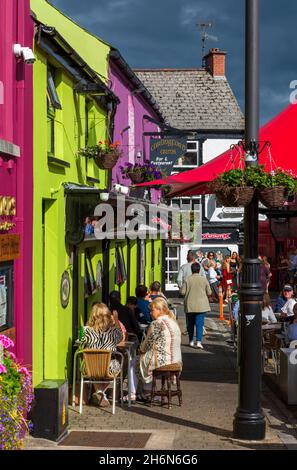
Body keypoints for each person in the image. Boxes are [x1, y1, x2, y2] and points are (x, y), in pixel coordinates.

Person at [128, 298, 182, 402]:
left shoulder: (157, 323)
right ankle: (147, 392)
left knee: (135, 362)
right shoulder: (173, 322)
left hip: (163, 360)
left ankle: (132, 394)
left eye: (152, 310)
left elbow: (147, 343)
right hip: (176, 360)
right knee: (146, 358)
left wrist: (141, 350)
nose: (150, 313)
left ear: (159, 309)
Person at [80, 303, 123, 407]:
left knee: (92, 366)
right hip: (109, 368)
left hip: (90, 368)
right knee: (117, 364)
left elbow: (81, 341)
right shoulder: (114, 332)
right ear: (108, 315)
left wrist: (87, 324)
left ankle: (99, 392)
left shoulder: (85, 331)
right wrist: (116, 319)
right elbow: (121, 337)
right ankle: (101, 392)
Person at [180, 262, 212, 349]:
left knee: (190, 324)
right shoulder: (204, 280)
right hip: (201, 305)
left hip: (189, 304)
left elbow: (182, 292)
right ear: (199, 270)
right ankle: (198, 342)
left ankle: (190, 341)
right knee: (199, 324)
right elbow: (209, 292)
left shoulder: (187, 280)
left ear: (191, 270)